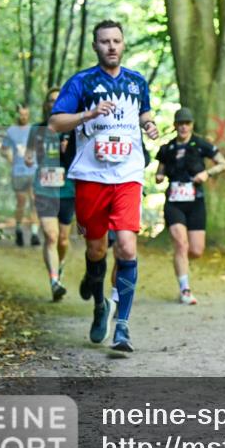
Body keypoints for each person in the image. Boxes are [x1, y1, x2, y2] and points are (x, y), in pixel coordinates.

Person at [49, 19, 159, 353]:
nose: (111, 46)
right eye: (104, 41)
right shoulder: (81, 82)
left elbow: (144, 114)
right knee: (96, 250)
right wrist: (88, 114)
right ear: (95, 46)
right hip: (91, 177)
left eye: (116, 41)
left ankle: (122, 326)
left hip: (127, 175)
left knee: (126, 247)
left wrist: (151, 125)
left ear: (123, 44)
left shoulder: (137, 81)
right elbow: (55, 123)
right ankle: (100, 304)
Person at [155, 107, 225, 305]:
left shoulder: (200, 144)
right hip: (174, 202)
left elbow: (223, 164)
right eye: (180, 123)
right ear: (175, 126)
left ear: (191, 125)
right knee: (181, 243)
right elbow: (159, 172)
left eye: (187, 123)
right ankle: (185, 289)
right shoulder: (167, 148)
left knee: (195, 250)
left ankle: (182, 261)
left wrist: (207, 173)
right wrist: (160, 176)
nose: (183, 127)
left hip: (196, 201)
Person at [25, 88, 76, 302]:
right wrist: (28, 158)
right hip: (44, 189)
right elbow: (29, 155)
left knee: (63, 240)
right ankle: (54, 281)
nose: (53, 103)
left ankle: (60, 266)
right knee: (51, 236)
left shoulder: (72, 129)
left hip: (67, 190)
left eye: (58, 100)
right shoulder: (36, 130)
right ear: (46, 105)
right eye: (50, 100)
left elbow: (81, 160)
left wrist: (68, 151)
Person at [1, 105, 39, 246]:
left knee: (35, 202)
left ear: (29, 115)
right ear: (17, 115)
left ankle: (34, 234)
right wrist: (10, 157)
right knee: (21, 202)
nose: (23, 117)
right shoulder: (11, 131)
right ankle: (18, 230)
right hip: (18, 171)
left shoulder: (33, 130)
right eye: (21, 114)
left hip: (33, 170)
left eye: (26, 114)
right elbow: (3, 150)